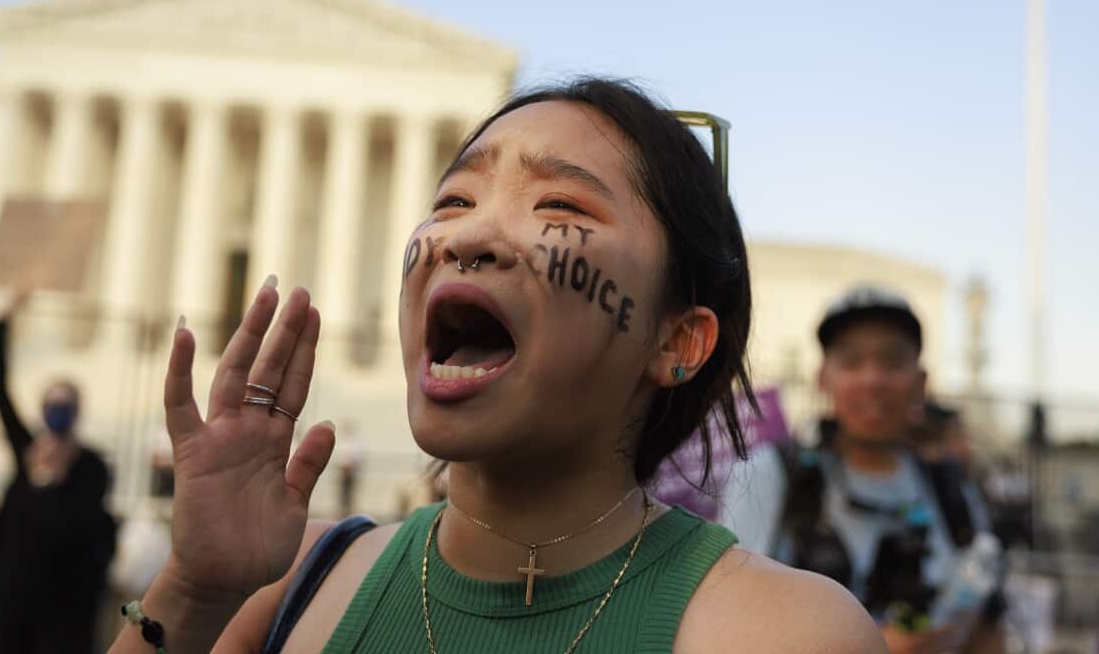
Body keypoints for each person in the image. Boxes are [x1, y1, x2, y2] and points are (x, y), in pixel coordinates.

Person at [107, 77, 884, 653]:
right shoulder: (288, 588)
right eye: (453, 201)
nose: (468, 237)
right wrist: (195, 588)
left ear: (677, 342)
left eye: (561, 208)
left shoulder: (783, 632)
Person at [720, 285, 1005, 653]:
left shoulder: (952, 491)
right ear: (823, 379)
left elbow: (987, 631)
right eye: (852, 362)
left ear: (921, 383)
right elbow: (726, 629)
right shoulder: (768, 474)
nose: (872, 380)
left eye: (892, 362)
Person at [0, 291, 116, 654]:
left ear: (77, 411)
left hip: (63, 614)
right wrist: (3, 323)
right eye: (52, 404)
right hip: (12, 603)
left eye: (65, 404)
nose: (58, 411)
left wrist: (50, 483)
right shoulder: (25, 449)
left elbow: (81, 527)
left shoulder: (91, 466)